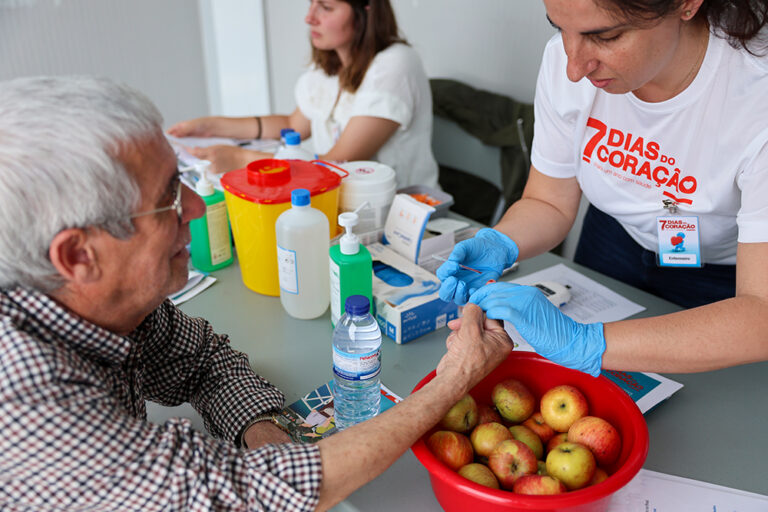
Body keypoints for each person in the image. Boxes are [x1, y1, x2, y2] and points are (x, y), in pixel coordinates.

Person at [0, 75, 511, 511]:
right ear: (77, 256)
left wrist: (259, 429)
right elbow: (261, 497)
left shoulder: (108, 302)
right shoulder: (27, 408)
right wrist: (453, 380)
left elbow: (203, 362)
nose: (197, 209)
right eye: (166, 201)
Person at [438, 0, 768, 375]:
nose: (574, 68)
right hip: (614, 239)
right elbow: (550, 201)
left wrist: (585, 342)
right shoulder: (567, 65)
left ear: (687, 4)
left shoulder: (757, 98)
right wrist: (502, 241)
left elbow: (761, 312)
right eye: (559, 28)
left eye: (605, 36)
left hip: (726, 281)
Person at [168, 0, 439, 189]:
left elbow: (336, 164)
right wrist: (210, 126)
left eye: (326, 7)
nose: (309, 17)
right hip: (347, 209)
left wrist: (241, 160)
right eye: (311, 4)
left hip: (406, 218)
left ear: (365, 11)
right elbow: (291, 125)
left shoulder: (395, 64)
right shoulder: (329, 70)